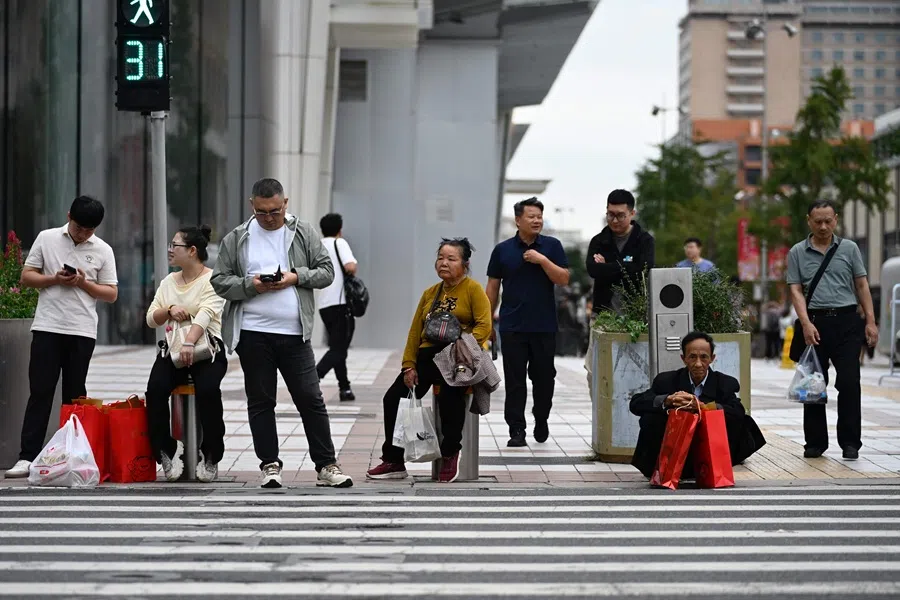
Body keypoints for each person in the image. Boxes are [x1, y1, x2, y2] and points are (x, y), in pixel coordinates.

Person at [211, 178, 352, 489]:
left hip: (294, 332)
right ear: (252, 206)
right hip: (252, 332)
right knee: (261, 400)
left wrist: (294, 277)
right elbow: (220, 281)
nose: (269, 217)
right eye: (262, 212)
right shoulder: (238, 237)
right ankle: (269, 465)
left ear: (285, 203)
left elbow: (326, 271)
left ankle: (326, 464)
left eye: (274, 210)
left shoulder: (302, 232)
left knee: (310, 397)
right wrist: (252, 285)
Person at [4, 196, 118, 479]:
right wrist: (55, 279)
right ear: (68, 216)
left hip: (81, 330)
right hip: (48, 326)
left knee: (75, 396)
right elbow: (27, 277)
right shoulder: (47, 238)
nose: (83, 234)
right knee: (40, 392)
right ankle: (27, 456)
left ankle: (73, 455)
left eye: (89, 230)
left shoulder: (103, 250)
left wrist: (83, 283)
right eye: (79, 228)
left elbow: (111, 294)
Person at [367, 238, 491, 482]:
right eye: (440, 258)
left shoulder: (473, 289)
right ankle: (393, 460)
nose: (444, 263)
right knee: (393, 398)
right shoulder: (430, 293)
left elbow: (484, 326)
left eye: (451, 259)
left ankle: (450, 453)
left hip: (456, 358)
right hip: (427, 357)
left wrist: (461, 348)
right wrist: (409, 365)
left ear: (465, 264)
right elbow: (415, 332)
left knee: (449, 398)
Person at [786, 200, 877, 461]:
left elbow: (861, 285)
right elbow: (795, 290)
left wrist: (870, 321)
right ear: (809, 221)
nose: (823, 226)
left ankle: (850, 442)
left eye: (828, 220)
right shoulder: (797, 252)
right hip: (814, 323)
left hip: (848, 322)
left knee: (849, 382)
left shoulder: (849, 249)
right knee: (812, 384)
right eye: (818, 221)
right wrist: (805, 323)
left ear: (835, 219)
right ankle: (815, 442)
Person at [144, 226, 227, 482]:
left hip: (207, 349)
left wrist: (190, 342)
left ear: (192, 251)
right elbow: (150, 318)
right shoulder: (169, 281)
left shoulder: (213, 279)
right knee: (155, 389)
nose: (170, 250)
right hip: (174, 349)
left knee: (208, 389)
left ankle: (211, 454)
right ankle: (167, 449)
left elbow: (206, 314)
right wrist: (169, 310)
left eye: (175, 245)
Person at [486, 197, 570, 447]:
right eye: (531, 216)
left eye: (539, 217)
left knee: (544, 378)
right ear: (518, 220)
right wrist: (487, 321)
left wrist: (542, 260)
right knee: (514, 381)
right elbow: (492, 287)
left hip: (544, 326)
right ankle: (516, 429)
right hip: (512, 325)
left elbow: (563, 278)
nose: (537, 221)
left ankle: (541, 418)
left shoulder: (552, 246)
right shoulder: (503, 250)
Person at [630, 331, 766, 479]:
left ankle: (720, 466)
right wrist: (668, 400)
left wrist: (704, 407)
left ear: (712, 358)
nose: (698, 364)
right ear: (684, 359)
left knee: (739, 420)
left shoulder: (725, 383)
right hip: (675, 447)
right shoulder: (666, 380)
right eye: (692, 357)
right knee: (650, 417)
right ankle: (658, 468)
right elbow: (636, 403)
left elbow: (737, 411)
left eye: (704, 357)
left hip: (708, 446)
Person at [585, 189, 655, 315]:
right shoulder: (598, 241)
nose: (615, 220)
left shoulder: (644, 240)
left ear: (632, 213)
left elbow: (643, 271)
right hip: (603, 314)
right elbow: (593, 270)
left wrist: (607, 266)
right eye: (610, 214)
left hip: (636, 314)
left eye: (620, 216)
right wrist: (626, 266)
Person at [316, 213, 359, 401]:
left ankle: (345, 388)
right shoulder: (339, 243)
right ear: (339, 229)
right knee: (339, 349)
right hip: (340, 303)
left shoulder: (318, 245)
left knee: (337, 346)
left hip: (324, 304)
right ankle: (312, 378)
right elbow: (350, 267)